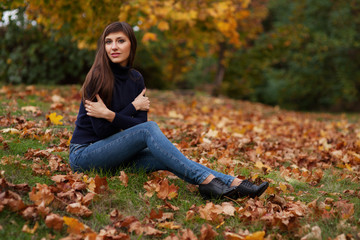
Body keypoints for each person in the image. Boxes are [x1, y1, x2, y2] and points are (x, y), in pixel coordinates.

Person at [69, 21, 269, 200]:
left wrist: (111, 115)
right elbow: (104, 131)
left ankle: (233, 183)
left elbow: (139, 126)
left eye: (120, 41)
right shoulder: (97, 77)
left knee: (166, 155)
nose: (113, 47)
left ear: (132, 44)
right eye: (108, 42)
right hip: (85, 156)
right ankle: (207, 182)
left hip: (114, 158)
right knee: (150, 130)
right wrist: (130, 108)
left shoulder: (136, 79)